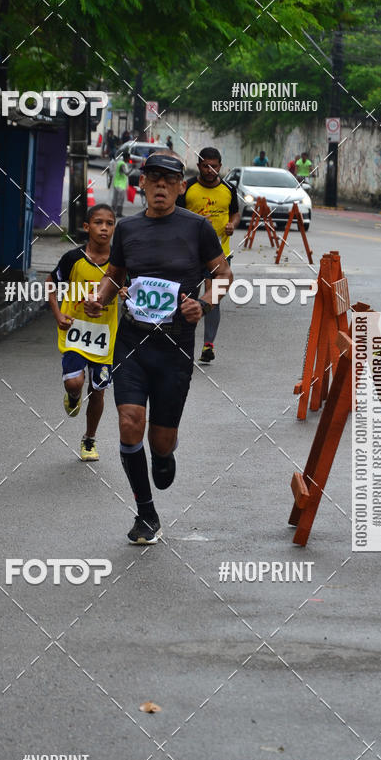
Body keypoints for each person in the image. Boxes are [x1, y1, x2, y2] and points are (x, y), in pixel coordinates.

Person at [84, 151, 233, 544]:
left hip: (175, 347)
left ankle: (165, 454)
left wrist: (204, 304)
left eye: (169, 180)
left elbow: (222, 273)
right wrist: (100, 297)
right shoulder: (128, 229)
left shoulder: (198, 228)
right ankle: (146, 513)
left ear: (181, 187)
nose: (161, 186)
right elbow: (115, 275)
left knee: (159, 443)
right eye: (153, 179)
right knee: (129, 422)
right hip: (132, 342)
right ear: (143, 185)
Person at [47, 204, 118, 461]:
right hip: (74, 332)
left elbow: (131, 290)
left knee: (98, 390)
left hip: (104, 338)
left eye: (109, 223)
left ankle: (89, 440)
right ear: (87, 227)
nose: (104, 228)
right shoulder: (73, 259)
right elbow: (50, 283)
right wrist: (58, 314)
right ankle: (73, 396)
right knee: (74, 382)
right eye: (98, 222)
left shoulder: (120, 263)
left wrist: (125, 293)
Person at [176, 146, 240, 363]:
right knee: (187, 298)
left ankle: (208, 345)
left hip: (220, 254)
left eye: (214, 166)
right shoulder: (188, 188)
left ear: (220, 166)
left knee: (213, 298)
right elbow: (175, 214)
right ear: (198, 166)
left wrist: (232, 224)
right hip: (190, 253)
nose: (210, 170)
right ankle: (183, 344)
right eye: (205, 166)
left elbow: (235, 213)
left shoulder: (229, 189)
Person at [111, 152, 130, 217]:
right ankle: (119, 213)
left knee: (115, 198)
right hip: (120, 184)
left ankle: (113, 212)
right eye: (129, 158)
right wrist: (133, 169)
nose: (129, 159)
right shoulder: (122, 164)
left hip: (116, 183)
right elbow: (126, 173)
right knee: (121, 199)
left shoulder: (119, 163)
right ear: (126, 158)